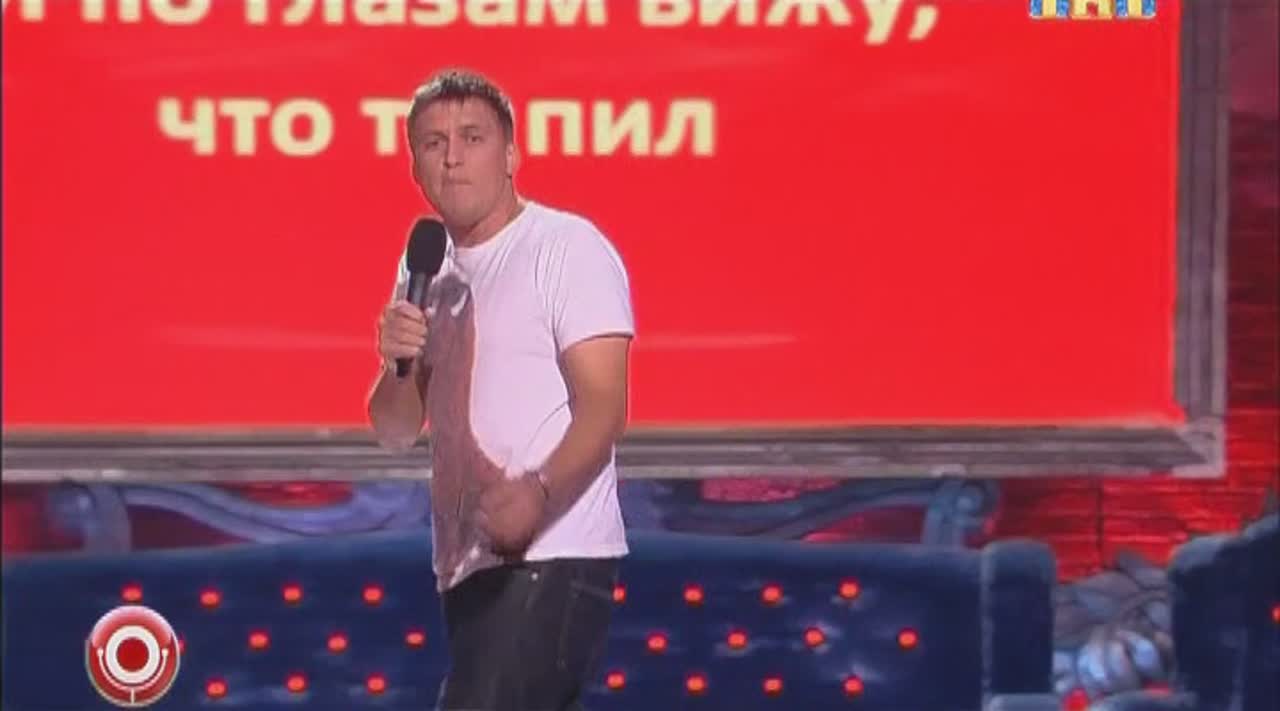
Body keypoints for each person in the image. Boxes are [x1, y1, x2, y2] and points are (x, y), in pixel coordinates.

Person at [366, 68, 635, 711]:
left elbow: (605, 407)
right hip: (467, 566)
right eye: (433, 143)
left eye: (472, 137)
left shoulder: (565, 247)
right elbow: (395, 429)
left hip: (554, 556)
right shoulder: (425, 269)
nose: (452, 158)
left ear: (511, 155)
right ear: (415, 166)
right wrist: (397, 361)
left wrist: (539, 493)